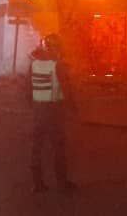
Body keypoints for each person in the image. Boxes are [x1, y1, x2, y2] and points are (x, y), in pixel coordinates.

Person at [29, 33, 76, 193]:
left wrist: (34, 107)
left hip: (38, 111)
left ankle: (37, 184)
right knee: (58, 147)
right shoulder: (57, 65)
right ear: (55, 48)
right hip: (53, 111)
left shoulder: (34, 64)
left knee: (36, 148)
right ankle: (62, 183)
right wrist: (73, 109)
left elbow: (27, 89)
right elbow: (67, 89)